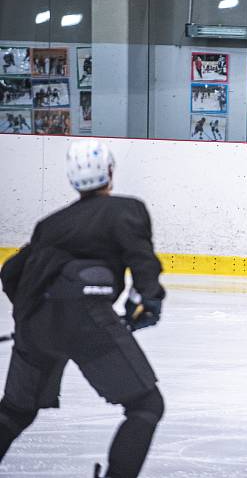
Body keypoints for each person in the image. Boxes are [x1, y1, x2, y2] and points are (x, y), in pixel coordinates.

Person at [0, 140, 166, 478]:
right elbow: (142, 262)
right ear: (109, 172)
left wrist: (34, 322)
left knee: (16, 411)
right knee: (147, 405)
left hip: (34, 323)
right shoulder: (126, 209)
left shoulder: (51, 224)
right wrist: (147, 302)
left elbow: (15, 273)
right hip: (87, 319)